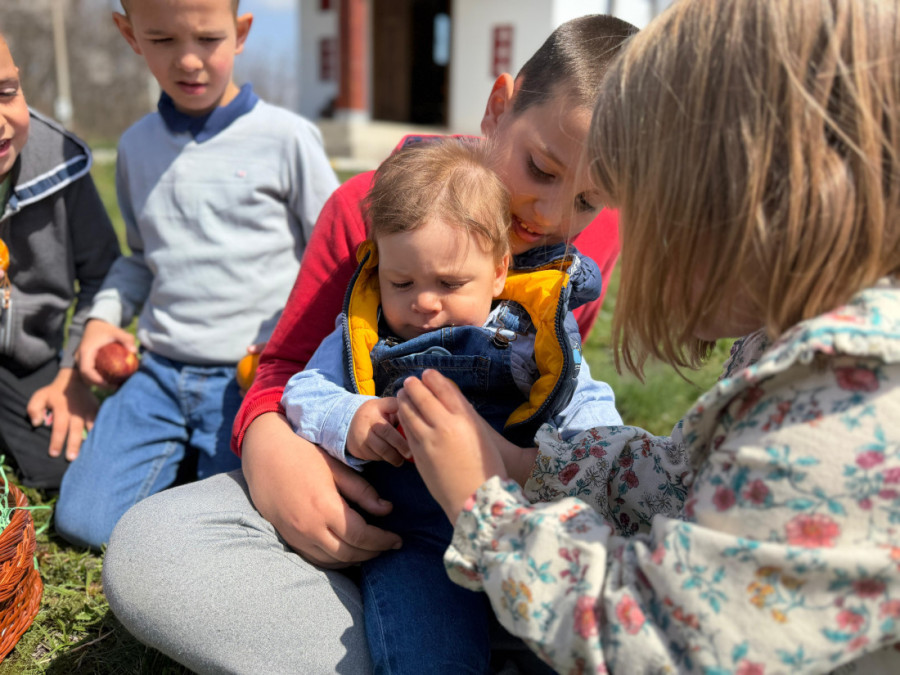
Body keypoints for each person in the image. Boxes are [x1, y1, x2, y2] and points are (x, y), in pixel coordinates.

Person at [102, 15, 637, 673]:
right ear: (500, 107)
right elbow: (288, 366)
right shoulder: (367, 209)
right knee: (152, 547)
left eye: (588, 199)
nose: (553, 214)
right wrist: (274, 454)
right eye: (540, 168)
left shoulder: (591, 244)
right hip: (382, 519)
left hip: (510, 521)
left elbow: (569, 387)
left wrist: (553, 470)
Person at [394, 0, 900, 672]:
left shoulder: (850, 402)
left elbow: (656, 642)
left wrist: (482, 506)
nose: (635, 234)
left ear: (747, 202)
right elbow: (677, 480)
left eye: (641, 196)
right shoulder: (806, 344)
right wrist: (528, 466)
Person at [283, 139, 621, 672]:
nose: (423, 301)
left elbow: (584, 399)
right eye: (401, 282)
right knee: (427, 655)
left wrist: (599, 463)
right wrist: (351, 419)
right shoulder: (365, 335)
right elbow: (304, 392)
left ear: (499, 271)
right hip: (416, 542)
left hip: (521, 527)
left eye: (449, 283)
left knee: (576, 647)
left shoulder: (529, 337)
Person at [53, 0, 339, 549]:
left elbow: (332, 260)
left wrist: (292, 345)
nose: (188, 60)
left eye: (208, 39)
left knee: (240, 534)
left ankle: (200, 472)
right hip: (158, 371)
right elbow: (141, 258)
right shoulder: (136, 147)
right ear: (129, 35)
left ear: (241, 32)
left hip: (249, 376)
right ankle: (186, 464)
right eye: (162, 40)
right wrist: (103, 318)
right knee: (83, 522)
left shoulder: (287, 138)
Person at [0, 33, 120, 489]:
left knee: (60, 469)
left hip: (26, 358)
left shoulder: (60, 166)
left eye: (6, 92)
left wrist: (72, 373)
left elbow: (102, 274)